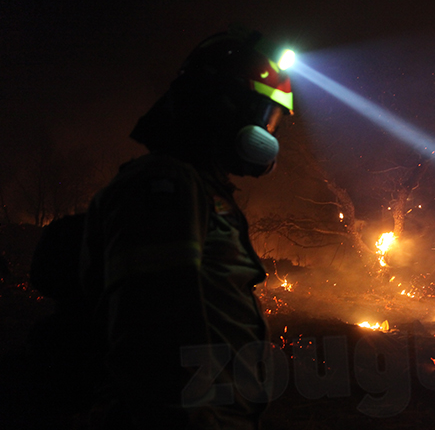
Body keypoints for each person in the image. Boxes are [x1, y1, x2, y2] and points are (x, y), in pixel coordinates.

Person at [80, 26, 293, 429]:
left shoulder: (195, 187)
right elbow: (153, 337)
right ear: (224, 107)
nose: (269, 134)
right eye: (266, 116)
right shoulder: (164, 185)